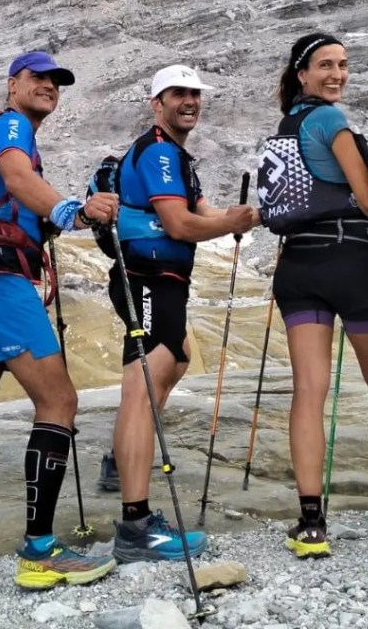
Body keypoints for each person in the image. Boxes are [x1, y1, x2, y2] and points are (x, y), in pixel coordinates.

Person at [0, 51, 120, 591]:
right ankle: (39, 551)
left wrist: (47, 223)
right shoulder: (11, 127)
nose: (49, 86)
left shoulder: (1, 131)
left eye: (57, 82)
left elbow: (11, 195)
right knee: (60, 402)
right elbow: (14, 177)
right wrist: (69, 210)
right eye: (38, 78)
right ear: (13, 84)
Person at [262, 33, 368, 559]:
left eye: (343, 65)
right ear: (302, 73)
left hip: (298, 266)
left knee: (309, 390)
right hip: (351, 259)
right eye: (326, 65)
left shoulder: (285, 127)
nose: (337, 75)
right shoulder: (329, 120)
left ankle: (311, 524)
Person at [108, 64, 258, 563]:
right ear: (158, 103)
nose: (189, 101)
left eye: (195, 93)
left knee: (175, 359)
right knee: (145, 383)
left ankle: (120, 459)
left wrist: (249, 216)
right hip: (148, 277)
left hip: (161, 279)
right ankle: (136, 527)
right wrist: (227, 225)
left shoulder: (175, 155)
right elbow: (179, 225)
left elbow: (203, 212)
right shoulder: (159, 151)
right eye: (178, 94)